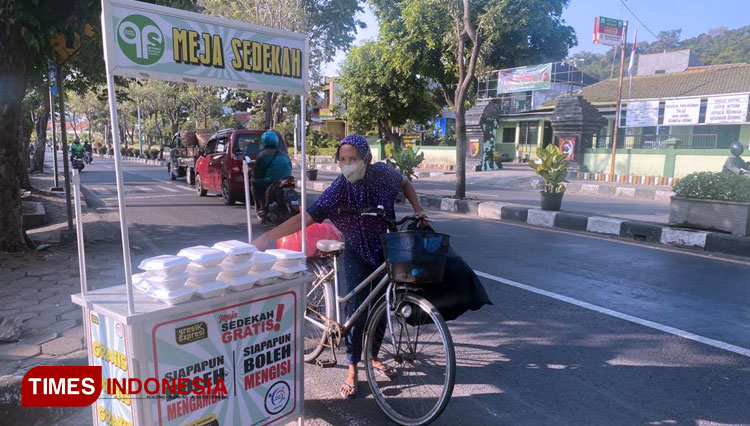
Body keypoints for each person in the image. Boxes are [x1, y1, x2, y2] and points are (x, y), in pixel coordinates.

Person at [253, 134, 427, 399]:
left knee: (382, 305)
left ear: (366, 158)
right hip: (356, 251)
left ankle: (374, 356)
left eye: (353, 159)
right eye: (342, 159)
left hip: (385, 248)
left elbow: (405, 183)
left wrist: (418, 210)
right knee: (357, 309)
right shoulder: (340, 188)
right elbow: (308, 217)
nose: (347, 164)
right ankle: (351, 369)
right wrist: (268, 237)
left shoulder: (383, 175)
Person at [252, 131, 293, 211]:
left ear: (264, 142)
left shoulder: (262, 156)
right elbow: (290, 167)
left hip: (271, 181)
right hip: (287, 180)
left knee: (255, 182)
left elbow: (258, 173)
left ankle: (261, 207)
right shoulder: (284, 154)